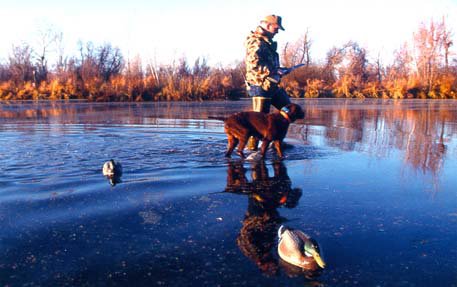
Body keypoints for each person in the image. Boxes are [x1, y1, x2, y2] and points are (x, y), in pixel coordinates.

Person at [245, 14, 291, 149]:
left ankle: (277, 141)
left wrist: (279, 69)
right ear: (268, 25)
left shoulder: (267, 41)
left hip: (271, 85)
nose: (277, 31)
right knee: (259, 122)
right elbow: (253, 64)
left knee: (289, 110)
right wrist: (274, 71)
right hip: (259, 85)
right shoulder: (256, 41)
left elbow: (268, 63)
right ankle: (251, 151)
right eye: (276, 28)